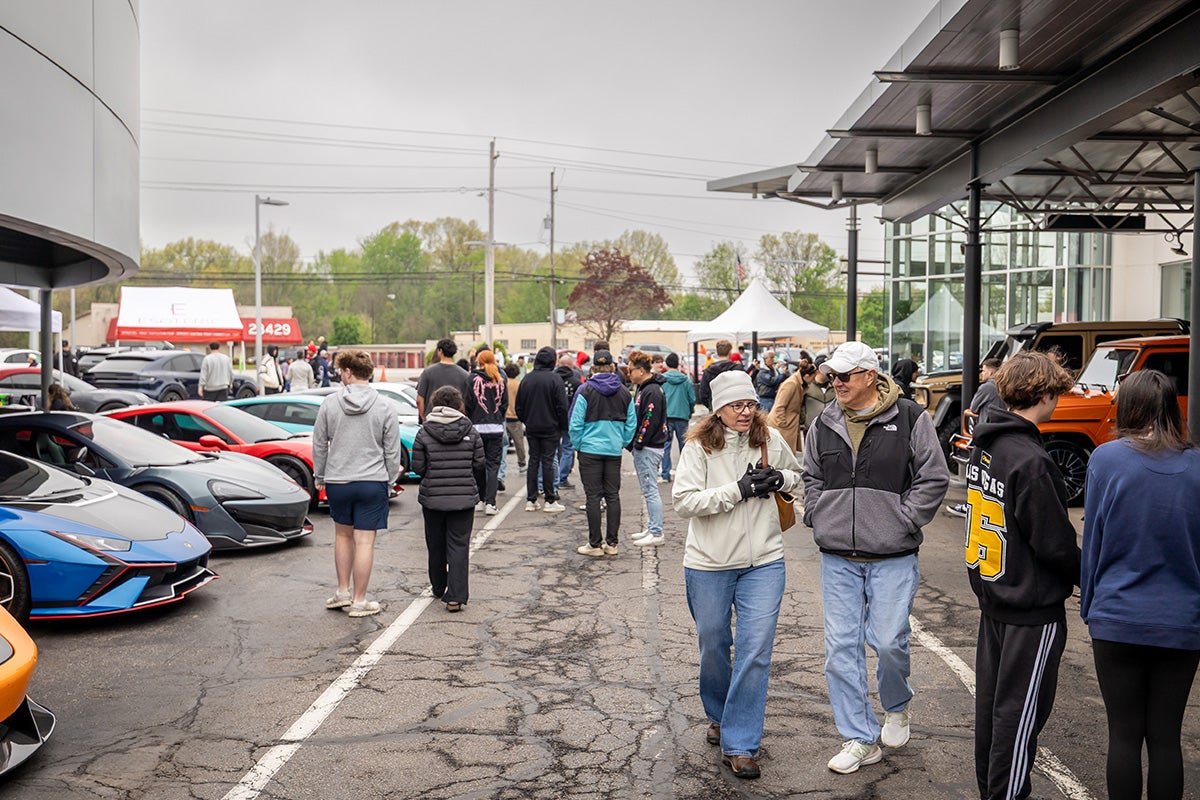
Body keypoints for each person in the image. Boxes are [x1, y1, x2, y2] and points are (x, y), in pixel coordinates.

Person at [802, 340, 949, 774]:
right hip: (838, 555)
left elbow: (933, 475)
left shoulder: (909, 417)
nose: (837, 382)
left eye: (845, 375)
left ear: (870, 375)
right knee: (840, 649)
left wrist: (905, 518)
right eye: (833, 376)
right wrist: (815, 512)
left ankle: (897, 704)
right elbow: (810, 473)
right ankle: (859, 738)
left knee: (887, 642)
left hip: (892, 554)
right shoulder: (824, 421)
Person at [674, 370, 802, 780]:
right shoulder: (698, 448)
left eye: (750, 404)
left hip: (764, 561)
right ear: (718, 410)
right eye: (737, 406)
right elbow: (684, 501)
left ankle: (741, 743)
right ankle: (718, 712)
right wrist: (739, 490)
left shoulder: (767, 439)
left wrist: (780, 478)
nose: (746, 412)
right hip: (709, 563)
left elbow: (798, 475)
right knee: (714, 643)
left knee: (755, 650)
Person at [964, 351, 1079, 800]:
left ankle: (992, 791)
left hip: (994, 593)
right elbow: (1054, 544)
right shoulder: (1030, 458)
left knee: (993, 711)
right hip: (1029, 608)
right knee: (1018, 715)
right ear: (1045, 394)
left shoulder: (985, 444)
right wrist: (1090, 574)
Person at [1081, 369, 1200, 800]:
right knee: (1166, 737)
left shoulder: (1106, 459)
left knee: (1124, 735)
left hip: (1117, 616)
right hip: (1183, 620)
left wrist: (1088, 605)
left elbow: (1092, 539)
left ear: (1127, 406)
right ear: (1173, 407)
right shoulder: (1197, 466)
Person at [312, 350, 401, 618]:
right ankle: (360, 601)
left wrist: (320, 476)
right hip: (372, 481)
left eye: (341, 371)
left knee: (342, 536)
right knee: (364, 542)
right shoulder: (385, 405)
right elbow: (392, 450)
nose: (340, 375)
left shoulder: (329, 403)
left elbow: (319, 444)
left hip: (338, 480)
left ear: (349, 372)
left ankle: (342, 592)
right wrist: (389, 480)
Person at [412, 386, 484, 613]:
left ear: (435, 404)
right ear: (458, 405)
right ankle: (456, 596)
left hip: (433, 498)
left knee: (435, 543)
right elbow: (479, 464)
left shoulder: (424, 432)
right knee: (459, 545)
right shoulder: (470, 430)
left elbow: (418, 467)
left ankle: (438, 585)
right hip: (463, 498)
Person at [570, 350, 635, 557]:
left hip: (589, 449)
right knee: (613, 495)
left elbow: (575, 423)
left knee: (593, 497)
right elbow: (631, 423)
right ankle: (612, 543)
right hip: (613, 450)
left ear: (593, 368)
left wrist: (579, 444)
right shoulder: (624, 392)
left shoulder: (585, 390)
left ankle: (595, 544)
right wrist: (621, 442)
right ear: (613, 367)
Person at [947, 357, 1006, 518]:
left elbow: (973, 407)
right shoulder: (1006, 385)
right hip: (1002, 435)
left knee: (975, 472)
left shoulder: (987, 387)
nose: (982, 373)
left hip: (985, 435)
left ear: (992, 371)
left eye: (984, 370)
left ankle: (970, 506)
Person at [515, 346, 568, 513]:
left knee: (533, 461)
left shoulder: (527, 379)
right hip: (551, 427)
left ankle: (531, 499)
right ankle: (550, 499)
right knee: (548, 462)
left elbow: (519, 406)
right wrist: (563, 426)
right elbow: (562, 406)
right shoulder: (555, 379)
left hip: (532, 426)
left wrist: (527, 420)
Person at [626, 351, 668, 547]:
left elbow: (648, 420)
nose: (628, 373)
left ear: (641, 370)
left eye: (630, 369)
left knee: (650, 490)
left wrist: (638, 443)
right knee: (648, 489)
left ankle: (656, 531)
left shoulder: (651, 391)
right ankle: (652, 526)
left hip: (649, 446)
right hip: (649, 445)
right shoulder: (647, 388)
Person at [464, 349, 507, 517]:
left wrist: (473, 417)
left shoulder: (472, 378)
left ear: (478, 361)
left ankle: (480, 501)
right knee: (493, 466)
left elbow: (468, 402)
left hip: (477, 428)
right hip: (496, 428)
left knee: (477, 465)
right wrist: (496, 417)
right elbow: (503, 404)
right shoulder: (499, 379)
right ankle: (491, 502)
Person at [660, 352, 695, 482]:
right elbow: (692, 398)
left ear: (667, 364)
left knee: (666, 445)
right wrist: (690, 411)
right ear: (677, 364)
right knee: (684, 446)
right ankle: (685, 475)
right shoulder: (685, 380)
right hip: (682, 415)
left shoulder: (662, 379)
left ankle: (665, 473)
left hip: (666, 416)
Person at [417, 338, 470, 422]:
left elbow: (419, 400)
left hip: (432, 421)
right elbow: (468, 402)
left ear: (440, 351)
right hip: (456, 422)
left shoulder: (428, 372)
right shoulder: (465, 375)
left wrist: (423, 417)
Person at [554, 354, 582, 490]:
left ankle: (550, 479)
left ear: (559, 364)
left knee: (552, 450)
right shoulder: (576, 382)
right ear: (571, 366)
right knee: (567, 449)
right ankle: (562, 478)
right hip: (569, 420)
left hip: (553, 419)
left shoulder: (552, 379)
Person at [766, 362, 807, 454]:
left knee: (787, 456)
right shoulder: (791, 384)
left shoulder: (797, 383)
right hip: (782, 426)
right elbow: (779, 406)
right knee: (783, 456)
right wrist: (783, 424)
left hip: (788, 424)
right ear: (808, 376)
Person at [698, 340, 742, 410]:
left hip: (715, 408)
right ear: (730, 352)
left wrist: (711, 406)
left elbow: (703, 394)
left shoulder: (708, 371)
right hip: (734, 409)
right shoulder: (737, 369)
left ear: (717, 353)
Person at [801, 362, 836, 438]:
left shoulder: (835, 386)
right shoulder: (807, 387)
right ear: (818, 371)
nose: (829, 374)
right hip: (810, 429)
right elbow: (799, 405)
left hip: (832, 429)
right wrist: (805, 420)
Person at [503, 363, 526, 474]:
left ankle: (501, 465)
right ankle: (522, 463)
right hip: (515, 417)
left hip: (503, 417)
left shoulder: (502, 383)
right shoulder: (519, 384)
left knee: (502, 444)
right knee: (519, 442)